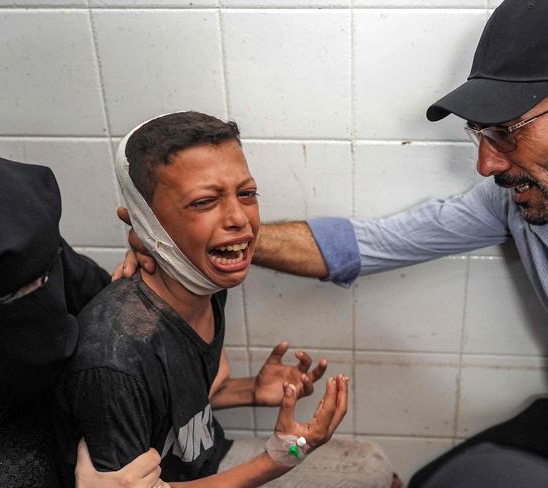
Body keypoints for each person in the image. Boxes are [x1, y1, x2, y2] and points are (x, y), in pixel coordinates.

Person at [115, 1, 548, 486]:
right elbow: (362, 245)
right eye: (480, 134)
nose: (486, 165)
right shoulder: (510, 201)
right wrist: (194, 243)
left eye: (506, 132)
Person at [54, 111, 396, 488]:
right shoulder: (112, 361)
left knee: (376, 467)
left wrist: (250, 390)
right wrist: (280, 457)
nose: (240, 219)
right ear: (144, 222)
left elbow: (173, 407)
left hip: (207, 461)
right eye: (204, 202)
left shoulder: (205, 283)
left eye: (247, 194)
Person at [0, 142, 163, 487]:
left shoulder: (34, 256)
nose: (44, 288)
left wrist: (156, 270)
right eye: (16, 294)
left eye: (46, 270)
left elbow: (108, 303)